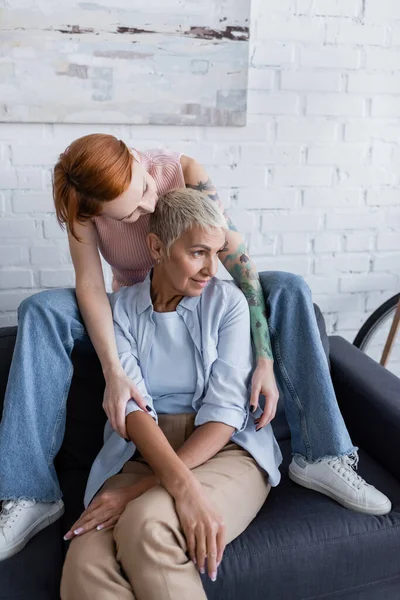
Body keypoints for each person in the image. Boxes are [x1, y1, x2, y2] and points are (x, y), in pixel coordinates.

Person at [0, 136, 390, 563]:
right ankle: (30, 491)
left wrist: (264, 357)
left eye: (146, 191)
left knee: (289, 287)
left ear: (135, 158)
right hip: (132, 305)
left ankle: (321, 453)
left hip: (197, 295)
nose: (145, 210)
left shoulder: (182, 171)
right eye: (129, 213)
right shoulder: (83, 207)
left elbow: (236, 260)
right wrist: (113, 370)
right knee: (40, 309)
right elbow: (90, 285)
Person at [60, 191, 390, 599]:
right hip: (144, 452)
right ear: (157, 246)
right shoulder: (123, 309)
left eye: (216, 253)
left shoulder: (229, 304)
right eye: (198, 252)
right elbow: (131, 407)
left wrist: (146, 492)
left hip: (226, 448)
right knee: (84, 561)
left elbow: (224, 414)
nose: (209, 269)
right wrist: (154, 481)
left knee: (147, 524)